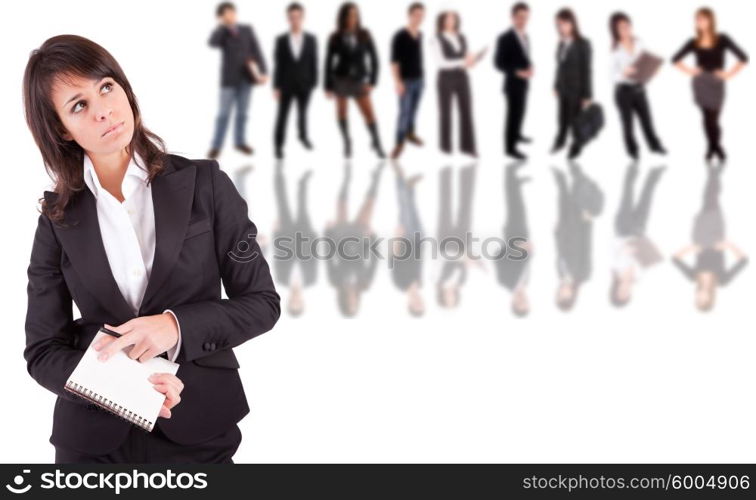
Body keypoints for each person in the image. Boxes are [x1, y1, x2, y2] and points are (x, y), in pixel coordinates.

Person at [22, 35, 280, 463]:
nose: (103, 109)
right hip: (92, 440)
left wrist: (175, 326)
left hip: (199, 425)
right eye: (78, 105)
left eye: (106, 87)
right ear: (62, 131)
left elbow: (261, 303)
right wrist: (121, 385)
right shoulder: (56, 217)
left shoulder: (206, 184)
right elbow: (43, 351)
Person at [672, 7, 748, 163]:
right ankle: (714, 147)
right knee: (707, 117)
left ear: (711, 20)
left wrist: (729, 74)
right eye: (697, 19)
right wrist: (690, 71)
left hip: (716, 83)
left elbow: (744, 57)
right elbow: (675, 59)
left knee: (714, 118)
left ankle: (714, 146)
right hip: (700, 83)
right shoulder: (693, 42)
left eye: (703, 18)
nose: (699, 21)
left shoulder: (722, 39)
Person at [672, 163, 748, 311]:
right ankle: (714, 173)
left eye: (698, 300)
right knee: (711, 199)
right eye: (704, 300)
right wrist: (728, 246)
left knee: (708, 199)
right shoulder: (723, 281)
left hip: (699, 235)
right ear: (711, 299)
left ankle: (714, 173)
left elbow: (675, 259)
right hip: (715, 234)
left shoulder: (692, 277)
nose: (701, 297)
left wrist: (691, 248)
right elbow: (744, 262)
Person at [207, 2, 268, 160]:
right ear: (222, 16)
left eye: (232, 13)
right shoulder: (223, 33)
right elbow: (213, 42)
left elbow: (256, 50)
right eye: (226, 14)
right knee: (223, 115)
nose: (231, 16)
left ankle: (240, 142)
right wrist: (223, 27)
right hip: (229, 80)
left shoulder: (247, 30)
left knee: (242, 113)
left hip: (247, 78)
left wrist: (263, 71)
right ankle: (216, 146)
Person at [324, 2, 385, 159]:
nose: (353, 18)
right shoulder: (335, 37)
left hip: (359, 80)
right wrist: (327, 86)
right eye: (349, 15)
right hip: (341, 79)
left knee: (369, 114)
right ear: (343, 17)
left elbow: (375, 59)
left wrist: (372, 82)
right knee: (342, 113)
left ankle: (376, 142)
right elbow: (327, 63)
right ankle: (347, 141)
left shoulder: (365, 34)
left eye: (355, 15)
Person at [325, 163, 384, 316]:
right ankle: (377, 174)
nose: (352, 301)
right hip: (360, 236)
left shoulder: (335, 281)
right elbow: (375, 260)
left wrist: (328, 232)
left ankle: (347, 175)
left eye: (349, 304)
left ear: (343, 302)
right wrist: (373, 237)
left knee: (341, 202)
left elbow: (329, 257)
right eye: (355, 305)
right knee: (369, 203)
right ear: (358, 303)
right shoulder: (365, 284)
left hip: (341, 237)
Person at [609, 12, 666, 161]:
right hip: (623, 92)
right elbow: (612, 76)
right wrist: (624, 72)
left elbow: (645, 61)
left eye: (627, 26)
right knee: (628, 124)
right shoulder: (615, 49)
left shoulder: (640, 42)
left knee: (647, 120)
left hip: (640, 89)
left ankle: (655, 146)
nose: (625, 30)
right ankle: (633, 151)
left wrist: (653, 70)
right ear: (615, 30)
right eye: (621, 28)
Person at [610, 163, 665, 307]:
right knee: (647, 199)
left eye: (619, 294)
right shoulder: (638, 277)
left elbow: (613, 246)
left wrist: (624, 249)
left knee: (627, 195)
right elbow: (647, 256)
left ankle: (632, 168)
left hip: (623, 229)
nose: (624, 292)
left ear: (614, 290)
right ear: (630, 295)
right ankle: (655, 173)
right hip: (639, 232)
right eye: (625, 296)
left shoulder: (615, 271)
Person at [553, 162, 603, 311]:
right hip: (578, 228)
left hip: (563, 230)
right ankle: (574, 166)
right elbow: (587, 249)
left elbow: (559, 251)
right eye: (566, 296)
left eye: (559, 295)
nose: (563, 292)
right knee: (575, 196)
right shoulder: (584, 275)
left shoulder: (560, 273)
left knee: (562, 196)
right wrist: (588, 224)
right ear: (572, 295)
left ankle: (558, 171)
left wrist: (555, 234)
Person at [272, 3, 318, 160]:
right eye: (292, 17)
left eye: (298, 17)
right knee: (282, 116)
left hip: (305, 84)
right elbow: (278, 64)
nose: (295, 20)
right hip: (286, 84)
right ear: (288, 19)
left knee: (303, 113)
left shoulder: (311, 39)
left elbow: (313, 61)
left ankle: (303, 137)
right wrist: (276, 86)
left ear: (302, 18)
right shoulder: (281, 40)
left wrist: (313, 82)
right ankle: (278, 145)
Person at [433, 11, 481, 157]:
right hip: (445, 78)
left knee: (466, 110)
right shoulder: (436, 39)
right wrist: (462, 62)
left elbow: (466, 56)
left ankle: (468, 147)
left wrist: (472, 60)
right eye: (447, 17)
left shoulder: (462, 37)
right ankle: (445, 148)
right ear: (442, 20)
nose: (450, 20)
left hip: (462, 77)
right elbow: (441, 63)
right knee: (446, 113)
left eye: (453, 17)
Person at [272, 163, 317, 317]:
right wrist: (313, 237)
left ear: (288, 300)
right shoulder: (311, 280)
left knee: (282, 204)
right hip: (305, 236)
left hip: (285, 237)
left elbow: (278, 256)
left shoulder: (281, 279)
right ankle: (303, 182)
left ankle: (278, 173)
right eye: (299, 303)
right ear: (303, 301)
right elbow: (314, 258)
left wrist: (276, 234)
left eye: (292, 302)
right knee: (303, 207)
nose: (296, 299)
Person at [551, 8, 593, 160]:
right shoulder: (561, 43)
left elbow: (587, 70)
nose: (561, 27)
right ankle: (560, 141)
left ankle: (576, 146)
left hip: (577, 90)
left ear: (572, 23)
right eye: (558, 24)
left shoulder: (583, 43)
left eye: (563, 23)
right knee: (561, 118)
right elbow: (559, 67)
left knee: (576, 121)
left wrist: (587, 95)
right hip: (563, 88)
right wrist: (555, 85)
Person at [494, 2, 533, 160]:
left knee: (521, 112)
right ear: (513, 17)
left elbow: (524, 58)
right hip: (512, 84)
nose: (522, 20)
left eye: (525, 17)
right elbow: (498, 63)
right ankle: (510, 148)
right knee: (513, 115)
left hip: (524, 83)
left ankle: (517, 135)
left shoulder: (526, 36)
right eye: (519, 17)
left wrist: (530, 67)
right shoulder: (505, 38)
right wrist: (518, 72)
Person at [436, 164, 478, 308]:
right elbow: (467, 262)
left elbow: (440, 257)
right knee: (467, 206)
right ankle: (469, 169)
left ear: (441, 296)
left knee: (445, 204)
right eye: (453, 298)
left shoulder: (437, 279)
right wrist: (473, 258)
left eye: (447, 298)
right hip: (463, 242)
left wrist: (464, 258)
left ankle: (445, 167)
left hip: (444, 242)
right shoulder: (462, 281)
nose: (450, 295)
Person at [494, 162, 532, 317]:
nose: (523, 300)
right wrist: (530, 250)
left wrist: (517, 248)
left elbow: (497, 257)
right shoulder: (527, 281)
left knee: (513, 204)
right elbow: (526, 260)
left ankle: (509, 172)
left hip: (512, 237)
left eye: (519, 303)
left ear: (513, 303)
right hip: (524, 237)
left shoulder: (505, 281)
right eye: (526, 302)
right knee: (519, 206)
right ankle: (516, 183)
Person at [390, 3, 426, 159]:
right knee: (404, 112)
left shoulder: (420, 34)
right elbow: (394, 62)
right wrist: (397, 82)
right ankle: (399, 143)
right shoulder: (399, 35)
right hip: (405, 81)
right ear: (409, 15)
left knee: (414, 110)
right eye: (416, 14)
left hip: (420, 79)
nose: (419, 18)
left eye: (422, 15)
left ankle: (410, 134)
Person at [389, 162, 425, 316]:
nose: (418, 302)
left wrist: (397, 237)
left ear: (409, 304)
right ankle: (409, 187)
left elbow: (393, 260)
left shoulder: (399, 284)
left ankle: (400, 177)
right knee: (412, 208)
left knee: (405, 208)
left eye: (415, 305)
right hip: (419, 240)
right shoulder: (421, 283)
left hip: (405, 240)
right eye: (421, 304)